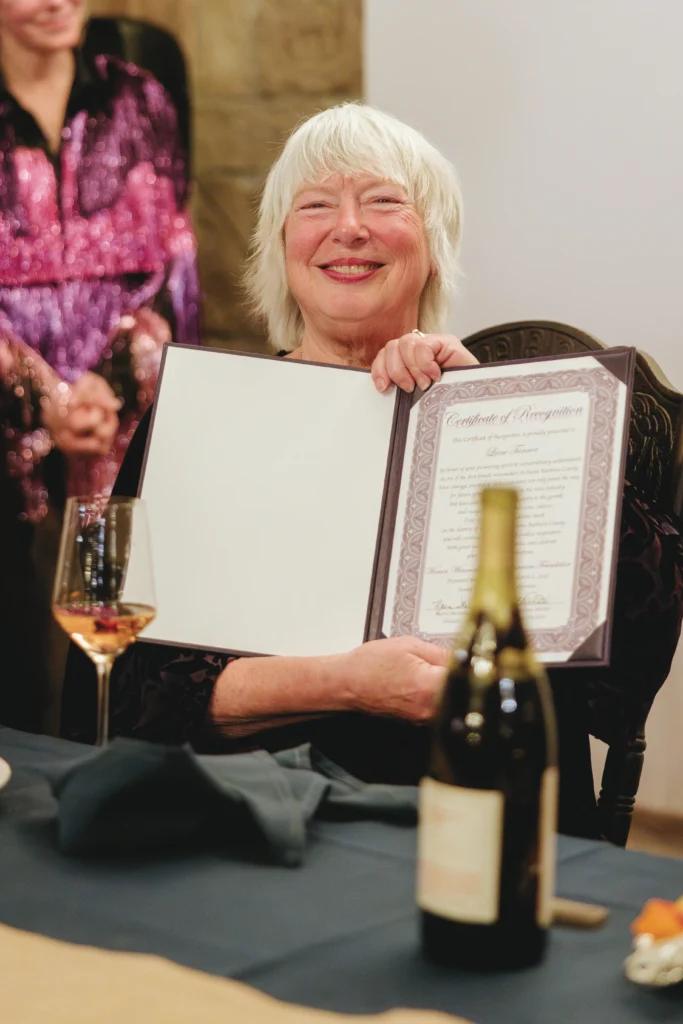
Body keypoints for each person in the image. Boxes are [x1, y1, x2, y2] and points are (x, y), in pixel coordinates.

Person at [62, 103, 683, 840]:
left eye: (384, 201)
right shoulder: (203, 420)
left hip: (476, 811)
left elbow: (629, 662)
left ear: (432, 245)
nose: (347, 228)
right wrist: (349, 683)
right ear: (281, 249)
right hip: (243, 811)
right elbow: (120, 694)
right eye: (314, 206)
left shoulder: (508, 418)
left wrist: (485, 417)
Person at [0, 0, 200, 731]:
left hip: (122, 427)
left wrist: (105, 389)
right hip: (7, 454)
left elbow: (174, 263)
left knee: (118, 681)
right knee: (24, 688)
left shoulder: (140, 94)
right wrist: (43, 395)